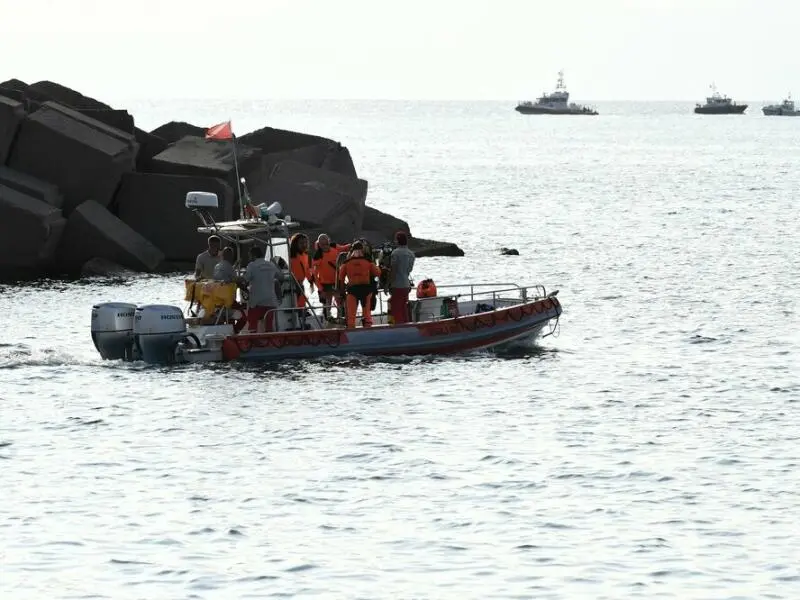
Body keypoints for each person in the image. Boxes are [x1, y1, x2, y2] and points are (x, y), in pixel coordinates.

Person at [239, 246, 283, 333]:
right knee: (269, 327)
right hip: (271, 301)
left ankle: (252, 342)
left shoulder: (252, 265)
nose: (249, 258)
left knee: (252, 326)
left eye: (249, 256)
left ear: (253, 255)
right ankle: (270, 343)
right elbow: (281, 277)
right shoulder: (271, 264)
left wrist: (237, 279)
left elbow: (244, 280)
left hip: (256, 302)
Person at [338, 241, 381, 328]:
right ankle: (368, 331)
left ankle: (351, 334)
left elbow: (341, 279)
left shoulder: (346, 263)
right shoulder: (368, 262)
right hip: (366, 291)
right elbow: (378, 273)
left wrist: (342, 292)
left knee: (351, 316)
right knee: (367, 315)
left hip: (352, 291)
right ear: (363, 250)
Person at [312, 233, 351, 319]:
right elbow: (314, 274)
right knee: (327, 303)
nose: (325, 246)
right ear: (319, 245)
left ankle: (340, 317)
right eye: (322, 244)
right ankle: (328, 319)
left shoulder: (335, 247)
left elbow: (344, 248)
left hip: (337, 281)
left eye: (326, 243)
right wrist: (320, 288)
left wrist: (352, 245)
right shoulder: (317, 256)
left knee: (340, 301)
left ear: (329, 242)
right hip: (325, 284)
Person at [388, 231, 415, 324]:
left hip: (397, 285)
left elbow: (393, 270)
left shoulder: (395, 253)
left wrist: (388, 283)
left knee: (395, 308)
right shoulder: (411, 254)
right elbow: (409, 270)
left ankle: (398, 327)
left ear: (398, 241)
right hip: (406, 285)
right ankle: (406, 325)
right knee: (404, 308)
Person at [289, 233, 314, 307]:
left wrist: (311, 281)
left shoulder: (305, 255)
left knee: (302, 303)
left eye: (305, 242)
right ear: (295, 244)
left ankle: (302, 313)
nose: (304, 245)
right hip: (291, 284)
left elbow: (306, 270)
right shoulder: (290, 255)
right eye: (301, 243)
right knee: (296, 303)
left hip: (300, 284)